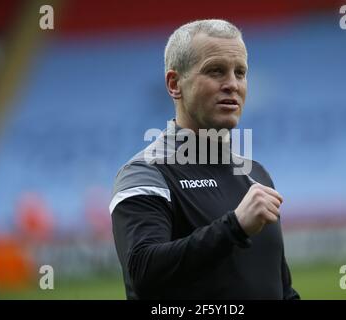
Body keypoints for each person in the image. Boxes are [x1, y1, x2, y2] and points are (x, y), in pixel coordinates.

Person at [110, 19, 300, 300]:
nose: (232, 85)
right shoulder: (146, 173)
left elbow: (280, 288)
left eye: (240, 72)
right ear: (175, 84)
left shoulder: (256, 175)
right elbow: (144, 273)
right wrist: (234, 227)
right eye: (215, 71)